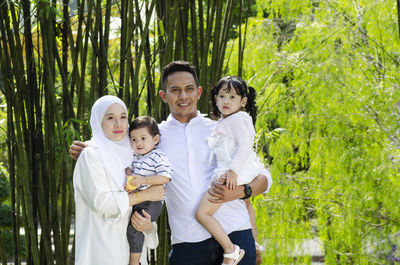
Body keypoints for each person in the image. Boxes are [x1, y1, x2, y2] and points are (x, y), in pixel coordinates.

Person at [70, 61, 272, 265]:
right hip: (187, 243)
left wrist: (241, 192)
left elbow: (264, 178)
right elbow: (115, 144)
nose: (183, 96)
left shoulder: (222, 128)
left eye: (189, 89)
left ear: (199, 92)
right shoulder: (154, 136)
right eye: (175, 90)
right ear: (164, 96)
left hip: (236, 233)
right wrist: (90, 147)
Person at [72, 95, 164, 265]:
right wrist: (144, 195)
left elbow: (144, 210)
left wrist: (149, 227)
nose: (118, 124)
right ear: (98, 122)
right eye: (110, 118)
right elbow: (102, 203)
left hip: (133, 254)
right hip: (102, 251)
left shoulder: (135, 155)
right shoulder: (91, 155)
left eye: (123, 117)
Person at [195, 76, 262, 265]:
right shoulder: (226, 121)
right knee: (247, 205)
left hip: (235, 171)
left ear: (243, 101)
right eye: (222, 96)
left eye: (233, 97)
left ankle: (231, 250)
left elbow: (246, 145)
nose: (226, 101)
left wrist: (232, 172)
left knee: (202, 214)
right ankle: (254, 244)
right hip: (237, 171)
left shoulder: (237, 119)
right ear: (215, 99)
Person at [125, 116, 172, 265]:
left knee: (135, 228)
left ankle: (135, 263)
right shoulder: (135, 156)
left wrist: (144, 180)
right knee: (131, 227)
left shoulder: (158, 156)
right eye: (134, 139)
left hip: (153, 202)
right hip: (139, 199)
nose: (138, 143)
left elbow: (166, 177)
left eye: (143, 138)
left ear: (156, 139)